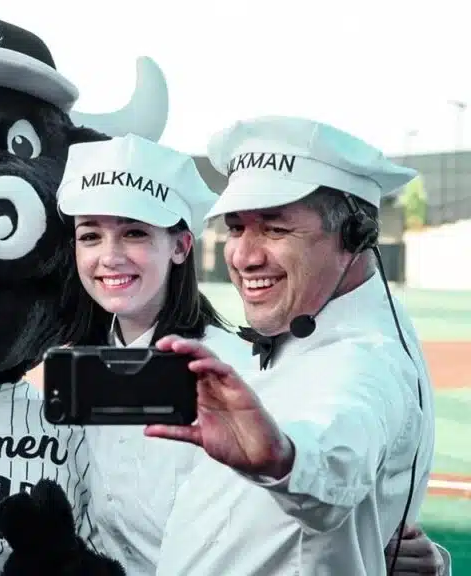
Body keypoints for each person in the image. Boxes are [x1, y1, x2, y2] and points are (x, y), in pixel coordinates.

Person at [58, 125, 453, 576]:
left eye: (276, 228)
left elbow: (338, 440)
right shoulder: (292, 337)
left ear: (353, 234)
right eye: (236, 228)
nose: (245, 256)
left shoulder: (352, 358)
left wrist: (284, 458)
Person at [56, 132, 255, 574]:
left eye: (134, 234)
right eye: (90, 236)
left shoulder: (235, 370)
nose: (109, 257)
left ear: (181, 246)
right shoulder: (77, 368)